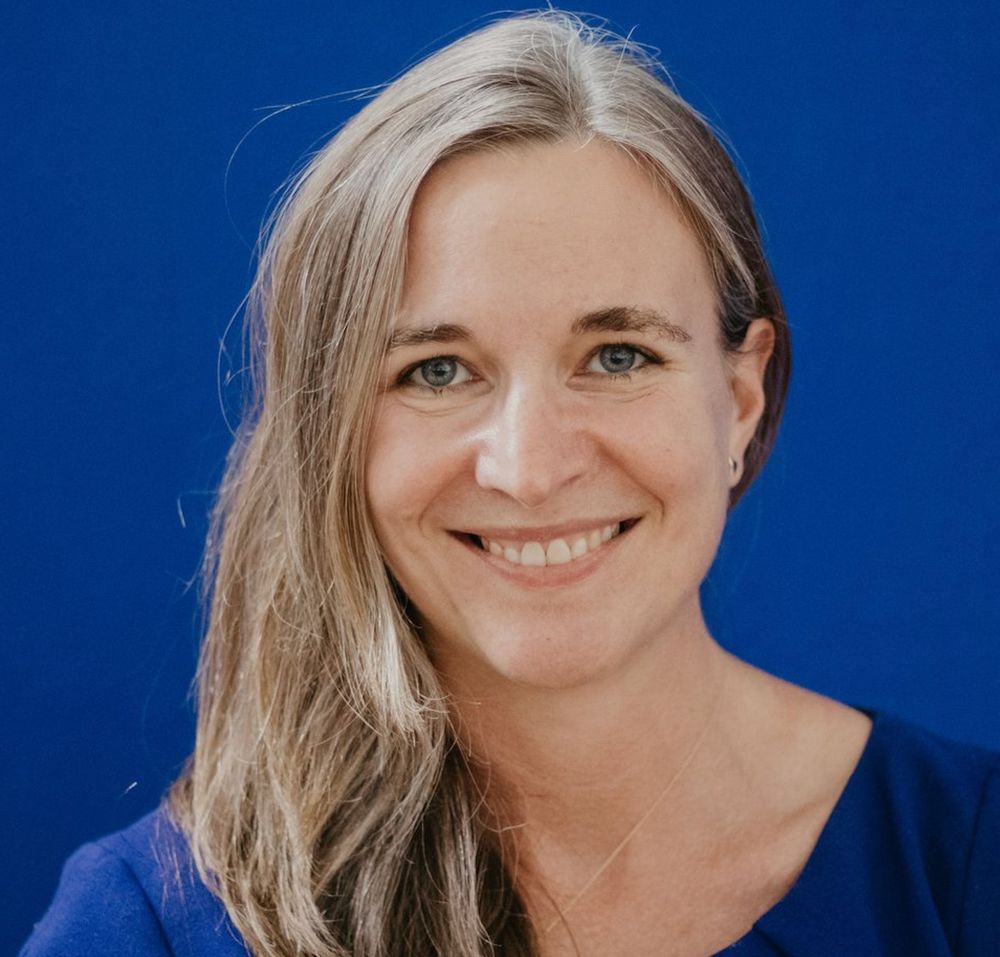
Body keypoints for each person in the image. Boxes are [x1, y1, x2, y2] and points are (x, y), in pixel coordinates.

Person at [21, 11, 1000, 957]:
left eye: (617, 357)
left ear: (738, 396)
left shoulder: (961, 866)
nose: (529, 471)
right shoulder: (157, 924)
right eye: (436, 372)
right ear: (332, 436)